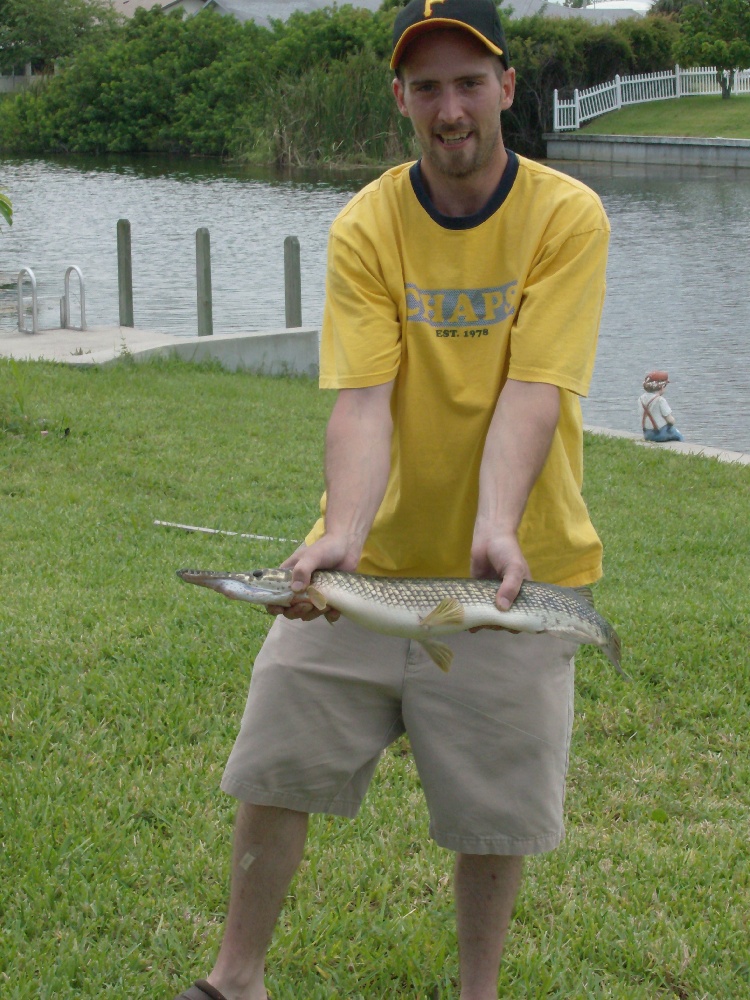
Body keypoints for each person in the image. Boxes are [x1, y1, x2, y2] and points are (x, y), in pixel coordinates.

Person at [175, 2, 610, 998]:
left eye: (468, 82)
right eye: (427, 87)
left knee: (495, 812)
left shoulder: (566, 216)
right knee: (277, 746)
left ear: (507, 87)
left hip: (518, 565)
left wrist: (496, 527)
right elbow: (363, 406)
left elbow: (532, 391)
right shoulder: (368, 221)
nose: (448, 107)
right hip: (368, 564)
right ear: (400, 100)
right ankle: (234, 981)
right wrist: (346, 533)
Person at [639, 370, 684, 442]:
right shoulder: (660, 400)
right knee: (678, 435)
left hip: (647, 434)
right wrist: (672, 421)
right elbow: (670, 419)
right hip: (660, 434)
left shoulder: (641, 399)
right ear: (662, 387)